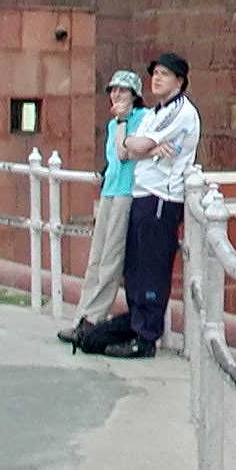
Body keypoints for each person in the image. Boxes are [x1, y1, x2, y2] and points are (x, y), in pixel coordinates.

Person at [110, 51, 200, 359]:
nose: (157, 78)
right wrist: (144, 147)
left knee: (151, 267)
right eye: (155, 73)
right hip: (142, 193)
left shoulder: (181, 112)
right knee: (134, 266)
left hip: (162, 197)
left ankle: (146, 336)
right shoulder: (154, 113)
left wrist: (142, 146)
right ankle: (136, 325)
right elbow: (130, 148)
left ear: (180, 80)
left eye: (164, 73)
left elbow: (138, 145)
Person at [57, 69, 146, 345]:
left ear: (134, 95)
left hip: (126, 194)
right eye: (113, 90)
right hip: (109, 192)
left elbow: (124, 152)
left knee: (110, 260)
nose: (116, 95)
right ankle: (81, 316)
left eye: (122, 90)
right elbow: (114, 159)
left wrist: (122, 121)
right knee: (96, 258)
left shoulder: (141, 120)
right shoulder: (112, 125)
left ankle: (93, 318)